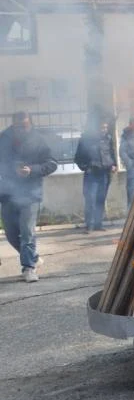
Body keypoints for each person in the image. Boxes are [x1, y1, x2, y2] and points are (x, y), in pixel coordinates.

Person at [0, 113, 57, 282]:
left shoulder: (39, 140)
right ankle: (33, 257)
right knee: (11, 234)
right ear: (13, 125)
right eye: (17, 127)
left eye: (24, 126)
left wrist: (32, 170)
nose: (21, 130)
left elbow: (52, 163)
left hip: (30, 194)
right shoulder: (3, 138)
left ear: (30, 125)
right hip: (7, 194)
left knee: (27, 233)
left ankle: (28, 268)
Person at [75, 117, 118, 233]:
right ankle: (90, 225)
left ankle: (99, 224)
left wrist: (113, 165)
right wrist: (86, 168)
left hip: (104, 173)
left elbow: (112, 154)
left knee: (101, 199)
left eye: (105, 127)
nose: (104, 130)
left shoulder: (108, 139)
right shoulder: (86, 140)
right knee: (90, 199)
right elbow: (78, 158)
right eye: (101, 127)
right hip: (92, 174)